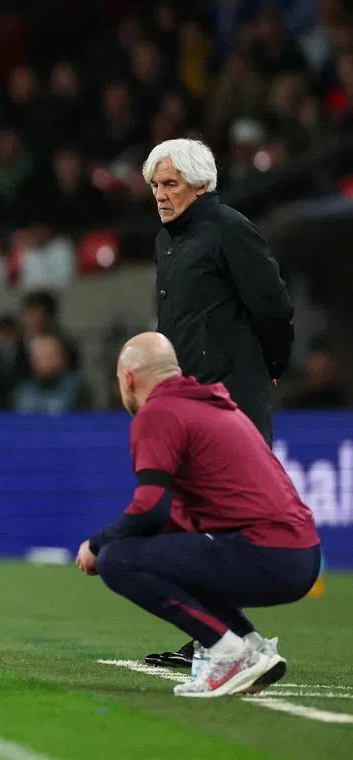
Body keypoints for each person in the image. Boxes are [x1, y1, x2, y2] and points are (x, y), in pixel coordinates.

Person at [76, 332, 320, 697]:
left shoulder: (158, 413)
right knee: (166, 553)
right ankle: (248, 645)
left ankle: (228, 651)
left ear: (127, 378)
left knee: (118, 560)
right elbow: (173, 520)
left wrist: (97, 544)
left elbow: (150, 510)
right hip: (299, 554)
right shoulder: (212, 405)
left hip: (266, 551)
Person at [141, 138, 295, 670]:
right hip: (186, 401)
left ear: (201, 184)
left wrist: (269, 369)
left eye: (171, 185)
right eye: (155, 186)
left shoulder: (230, 229)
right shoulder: (167, 240)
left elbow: (274, 307)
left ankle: (228, 641)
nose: (160, 195)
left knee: (227, 522)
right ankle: (211, 638)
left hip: (230, 399)